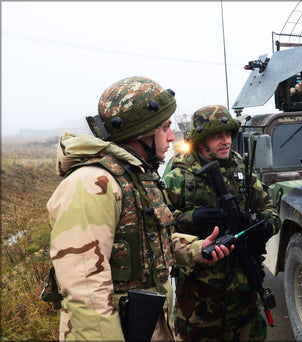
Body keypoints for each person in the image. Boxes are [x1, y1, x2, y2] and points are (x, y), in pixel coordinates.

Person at [45, 77, 231, 341]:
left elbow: (147, 241)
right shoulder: (91, 184)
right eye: (165, 127)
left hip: (148, 324)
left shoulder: (136, 178)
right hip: (115, 328)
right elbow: (85, 291)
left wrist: (194, 249)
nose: (171, 137)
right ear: (141, 131)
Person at [162, 105, 281, 341]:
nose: (225, 141)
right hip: (199, 296)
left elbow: (269, 209)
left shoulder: (241, 170)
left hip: (244, 288)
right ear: (201, 140)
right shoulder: (178, 176)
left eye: (228, 135)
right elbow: (158, 229)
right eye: (217, 136)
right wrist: (191, 218)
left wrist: (265, 226)